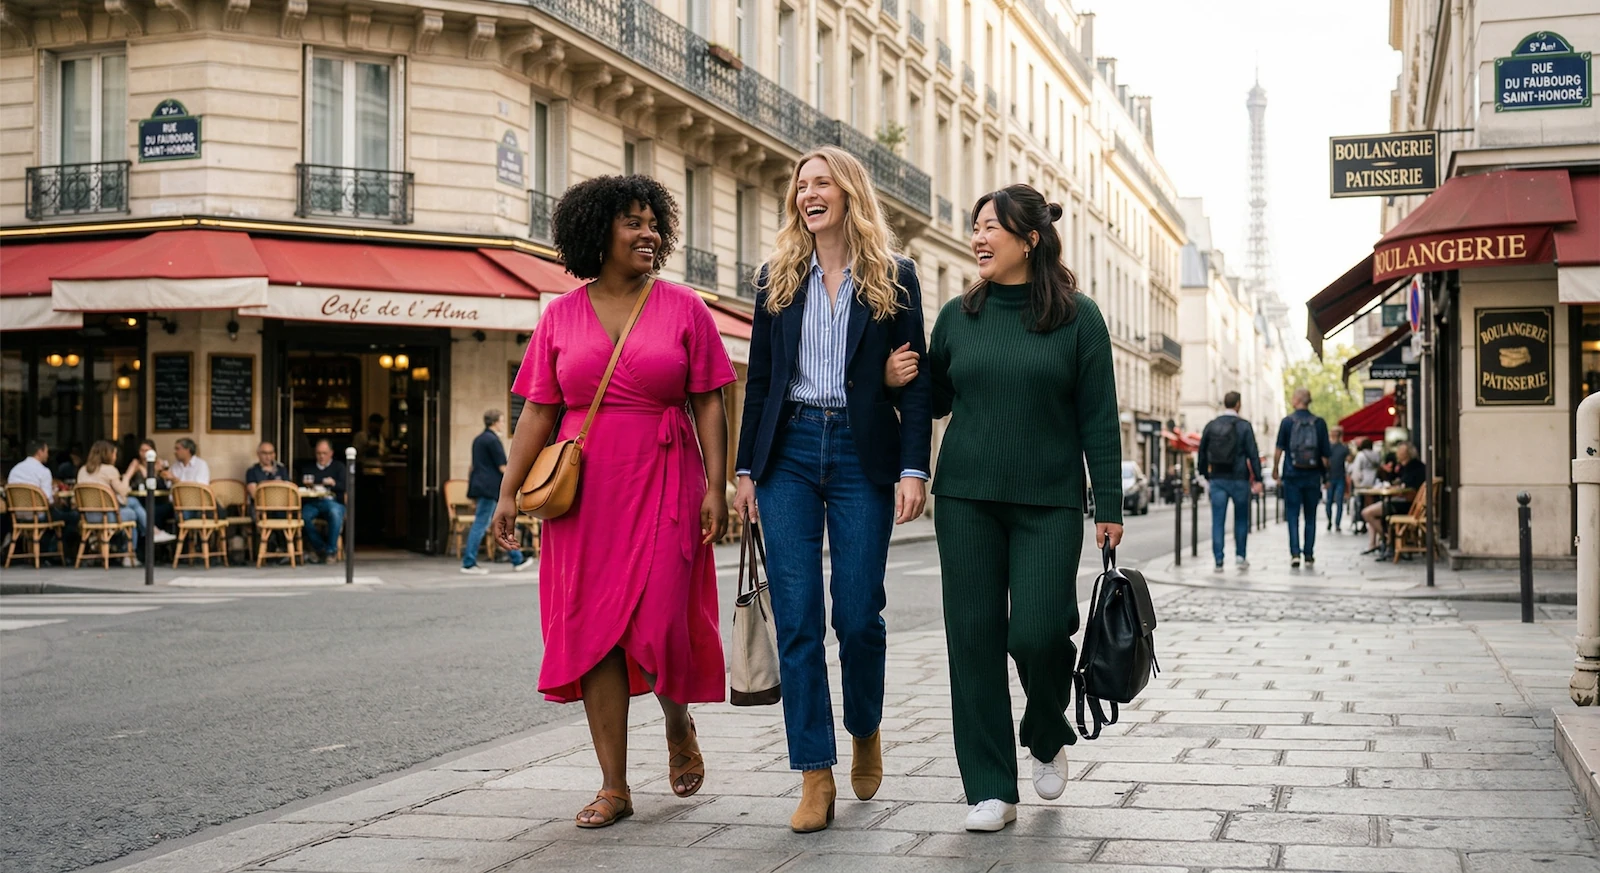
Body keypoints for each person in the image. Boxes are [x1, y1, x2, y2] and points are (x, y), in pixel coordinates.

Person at [490, 174, 735, 829]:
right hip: (586, 493)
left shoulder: (685, 308)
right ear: (598, 232)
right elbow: (538, 412)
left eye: (654, 221)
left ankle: (677, 720)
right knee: (596, 634)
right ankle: (614, 784)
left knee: (660, 620)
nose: (649, 232)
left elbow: (709, 399)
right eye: (633, 221)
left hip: (664, 478)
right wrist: (506, 494)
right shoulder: (559, 317)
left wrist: (719, 482)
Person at [731, 146, 932, 834]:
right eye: (801, 185)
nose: (807, 194)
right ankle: (814, 772)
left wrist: (914, 467)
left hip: (858, 448)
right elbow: (760, 379)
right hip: (787, 451)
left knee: (857, 614)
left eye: (821, 183)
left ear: (848, 193)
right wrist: (744, 470)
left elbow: (916, 374)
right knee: (797, 617)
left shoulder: (895, 277)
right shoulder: (777, 277)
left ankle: (866, 725)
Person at [909, 184, 1120, 834]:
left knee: (1035, 631)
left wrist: (1108, 502)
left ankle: (1047, 724)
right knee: (972, 641)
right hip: (966, 495)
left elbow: (1099, 416)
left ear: (1029, 238)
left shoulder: (1078, 317)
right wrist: (903, 380)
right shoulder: (957, 314)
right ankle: (990, 786)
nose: (977, 237)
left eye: (989, 227)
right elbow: (934, 397)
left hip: (1050, 501)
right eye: (974, 226)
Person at [461, 410, 532, 575]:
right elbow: (503, 468)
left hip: (480, 486)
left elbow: (473, 466)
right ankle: (468, 562)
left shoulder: (478, 440)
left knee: (499, 523)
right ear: (494, 422)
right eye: (501, 421)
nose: (502, 424)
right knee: (481, 523)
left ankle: (517, 558)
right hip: (490, 487)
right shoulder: (493, 440)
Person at [1198, 392, 1264, 570]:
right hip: (1239, 479)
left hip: (1218, 479)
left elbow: (1202, 452)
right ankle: (1240, 557)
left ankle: (1218, 560)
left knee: (1218, 520)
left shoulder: (1211, 425)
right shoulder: (1244, 426)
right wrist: (1258, 478)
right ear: (1238, 404)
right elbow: (1253, 454)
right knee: (1241, 519)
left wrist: (1205, 474)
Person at [76, 440, 169, 565]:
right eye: (114, 453)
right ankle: (133, 550)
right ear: (108, 454)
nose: (116, 457)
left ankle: (148, 535)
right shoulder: (109, 470)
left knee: (133, 503)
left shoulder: (82, 470)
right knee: (132, 512)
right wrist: (128, 474)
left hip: (88, 516)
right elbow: (123, 491)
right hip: (106, 516)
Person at [1274, 388, 1332, 569]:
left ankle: (1295, 553)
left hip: (1292, 475)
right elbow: (1325, 456)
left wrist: (1276, 469)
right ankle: (1309, 553)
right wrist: (1325, 475)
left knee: (1292, 515)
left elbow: (1279, 449)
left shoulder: (1287, 422)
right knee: (1310, 516)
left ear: (1298, 400)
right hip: (1312, 475)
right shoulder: (1319, 423)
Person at [1362, 441, 1426, 555]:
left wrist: (1396, 485)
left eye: (1400, 452)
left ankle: (1389, 539)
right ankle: (1374, 543)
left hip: (1407, 505)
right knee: (1372, 511)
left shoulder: (1413, 467)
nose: (1397, 454)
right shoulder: (1404, 466)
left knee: (1367, 513)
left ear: (1406, 453)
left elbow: (1407, 488)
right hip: (1406, 503)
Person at [299, 439, 347, 563]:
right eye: (318, 453)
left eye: (324, 453)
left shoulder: (339, 467)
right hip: (313, 502)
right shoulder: (309, 468)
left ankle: (331, 552)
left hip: (334, 502)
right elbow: (302, 486)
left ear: (331, 453)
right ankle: (322, 548)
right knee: (302, 517)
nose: (321, 456)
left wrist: (334, 483)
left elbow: (346, 486)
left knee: (335, 513)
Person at [1325, 426, 1351, 532]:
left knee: (1339, 501)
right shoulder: (1327, 447)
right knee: (1329, 501)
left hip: (1340, 477)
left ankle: (1337, 523)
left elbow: (1350, 459)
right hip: (1330, 477)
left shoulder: (1344, 448)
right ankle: (1330, 520)